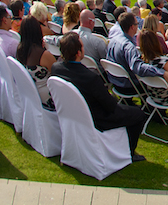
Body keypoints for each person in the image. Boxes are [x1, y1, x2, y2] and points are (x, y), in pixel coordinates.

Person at [51, 32, 147, 162]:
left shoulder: (56, 68)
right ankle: (129, 152)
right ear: (78, 53)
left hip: (74, 111)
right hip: (96, 117)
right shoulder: (90, 78)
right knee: (138, 115)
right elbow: (110, 106)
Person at [16, 16, 55, 106]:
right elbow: (57, 72)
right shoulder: (43, 54)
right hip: (45, 98)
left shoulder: (20, 50)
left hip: (29, 94)